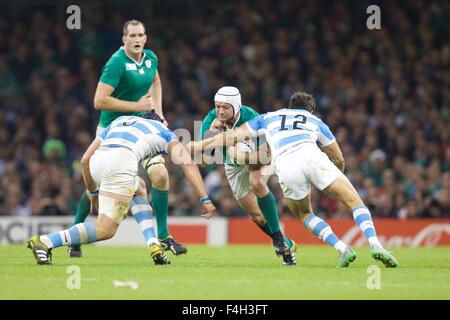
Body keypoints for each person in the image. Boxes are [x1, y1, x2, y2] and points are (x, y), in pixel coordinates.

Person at [191, 91, 399, 268]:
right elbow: (338, 157)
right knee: (354, 201)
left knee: (304, 213)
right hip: (312, 158)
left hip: (285, 165)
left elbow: (233, 138)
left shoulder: (267, 117)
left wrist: (198, 147)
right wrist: (334, 179)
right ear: (309, 111)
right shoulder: (315, 120)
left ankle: (342, 248)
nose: (219, 110)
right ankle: (375, 245)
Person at [27, 113, 215, 265]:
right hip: (121, 163)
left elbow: (84, 160)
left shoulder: (119, 121)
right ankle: (45, 241)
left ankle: (152, 242)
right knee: (105, 229)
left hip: (98, 161)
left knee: (139, 186)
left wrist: (93, 192)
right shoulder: (165, 132)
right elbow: (186, 163)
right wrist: (204, 198)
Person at [69, 19, 186, 258]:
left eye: (140, 35)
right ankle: (75, 234)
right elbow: (98, 101)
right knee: (94, 180)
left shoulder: (151, 58)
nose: (136, 39)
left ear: (146, 37)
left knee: (160, 175)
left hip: (141, 128)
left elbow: (154, 80)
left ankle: (163, 235)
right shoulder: (115, 63)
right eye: (131, 35)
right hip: (111, 131)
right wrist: (135, 105)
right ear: (124, 39)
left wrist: (159, 113)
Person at [197, 86, 296, 266]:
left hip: (259, 159)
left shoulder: (251, 117)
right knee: (257, 216)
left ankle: (280, 245)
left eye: (225, 107)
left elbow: (267, 155)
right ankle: (283, 241)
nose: (219, 111)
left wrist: (243, 157)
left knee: (256, 182)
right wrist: (211, 134)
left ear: (236, 106)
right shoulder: (211, 119)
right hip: (232, 167)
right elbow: (202, 161)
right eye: (217, 106)